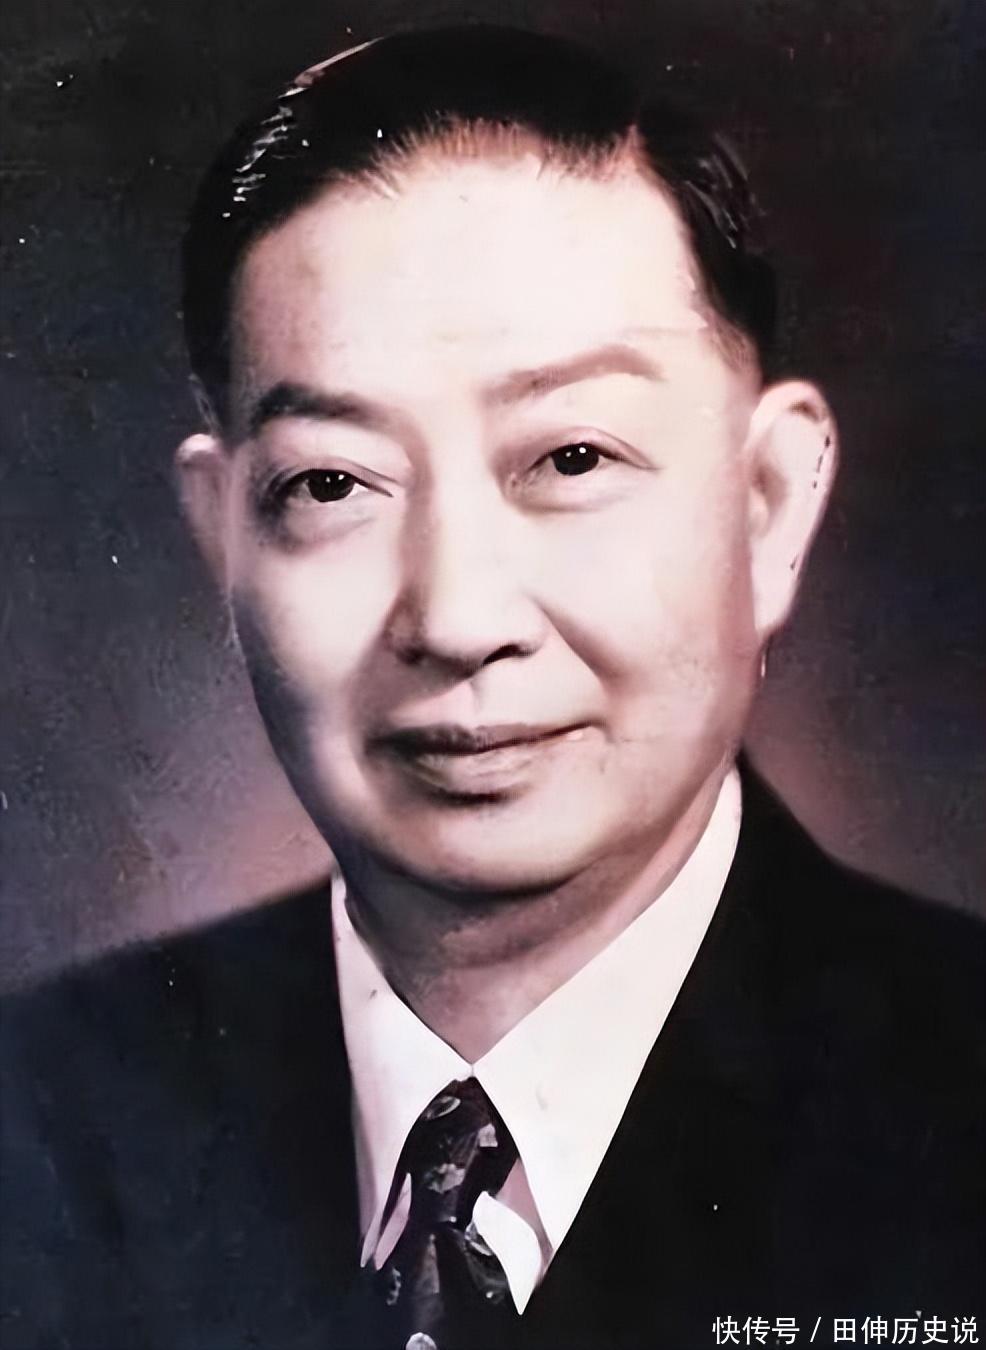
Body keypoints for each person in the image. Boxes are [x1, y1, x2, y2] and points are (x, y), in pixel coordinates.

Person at [2, 25, 983, 1350]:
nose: (458, 619)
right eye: (332, 483)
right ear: (224, 538)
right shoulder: (40, 1118)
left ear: (766, 502)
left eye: (571, 458)